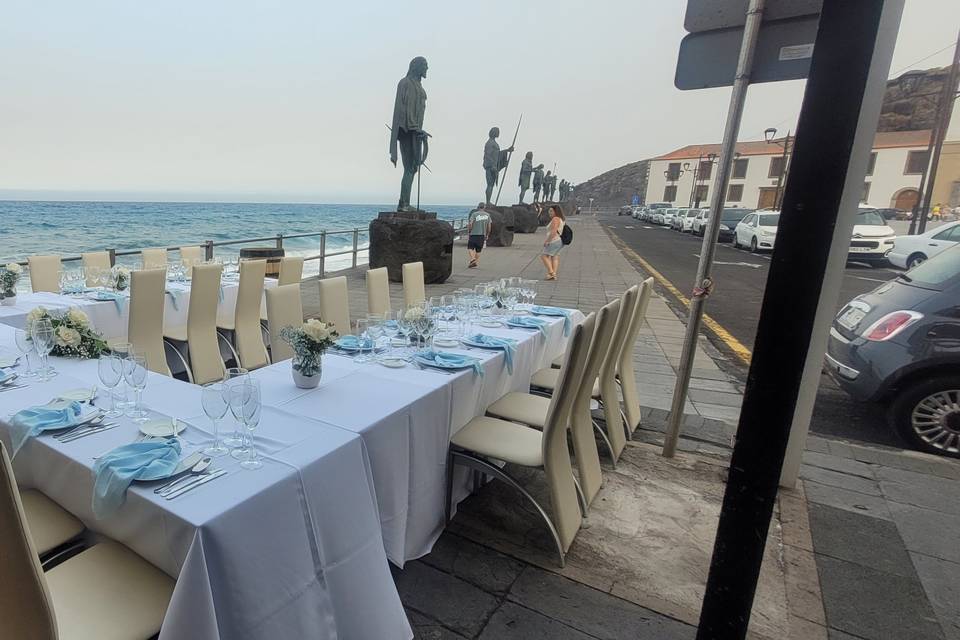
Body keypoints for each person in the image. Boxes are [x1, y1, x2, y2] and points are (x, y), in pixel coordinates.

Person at [389, 57, 429, 211]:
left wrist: (419, 129)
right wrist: (414, 127)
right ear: (416, 67)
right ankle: (404, 204)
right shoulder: (405, 83)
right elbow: (403, 109)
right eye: (424, 66)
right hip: (407, 131)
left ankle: (404, 202)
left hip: (415, 131)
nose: (426, 69)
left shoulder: (419, 85)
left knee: (413, 167)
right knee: (409, 168)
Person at [483, 127, 514, 204]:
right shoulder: (490, 143)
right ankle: (488, 202)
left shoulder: (494, 142)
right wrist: (492, 165)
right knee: (490, 184)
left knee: (491, 185)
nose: (498, 133)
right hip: (490, 167)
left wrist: (507, 150)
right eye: (497, 132)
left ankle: (488, 201)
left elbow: (497, 154)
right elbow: (488, 155)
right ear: (494, 133)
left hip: (493, 166)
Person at [540, 205, 565, 280]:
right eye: (549, 211)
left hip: (554, 240)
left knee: (544, 256)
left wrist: (547, 241)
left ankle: (551, 273)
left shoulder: (555, 219)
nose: (549, 212)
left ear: (556, 211)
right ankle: (553, 274)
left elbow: (553, 231)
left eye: (551, 211)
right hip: (559, 240)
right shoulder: (561, 219)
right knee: (555, 257)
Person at [467, 202, 492, 268]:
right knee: (479, 250)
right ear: (484, 207)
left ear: (478, 207)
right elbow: (489, 226)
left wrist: (469, 231)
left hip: (473, 234)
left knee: (470, 248)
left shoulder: (474, 214)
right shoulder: (488, 215)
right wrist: (487, 234)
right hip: (482, 235)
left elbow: (471, 223)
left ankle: (473, 259)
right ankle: (474, 262)